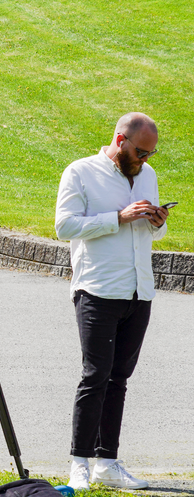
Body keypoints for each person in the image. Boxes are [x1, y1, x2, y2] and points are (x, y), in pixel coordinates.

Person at [56, 112, 169, 491]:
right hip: (98, 289)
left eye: (150, 154)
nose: (145, 160)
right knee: (95, 377)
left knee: (119, 379)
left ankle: (107, 462)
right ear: (120, 140)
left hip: (139, 290)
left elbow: (155, 230)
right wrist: (117, 218)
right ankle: (78, 463)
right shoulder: (80, 172)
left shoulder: (147, 174)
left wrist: (157, 220)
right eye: (140, 151)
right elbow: (65, 226)